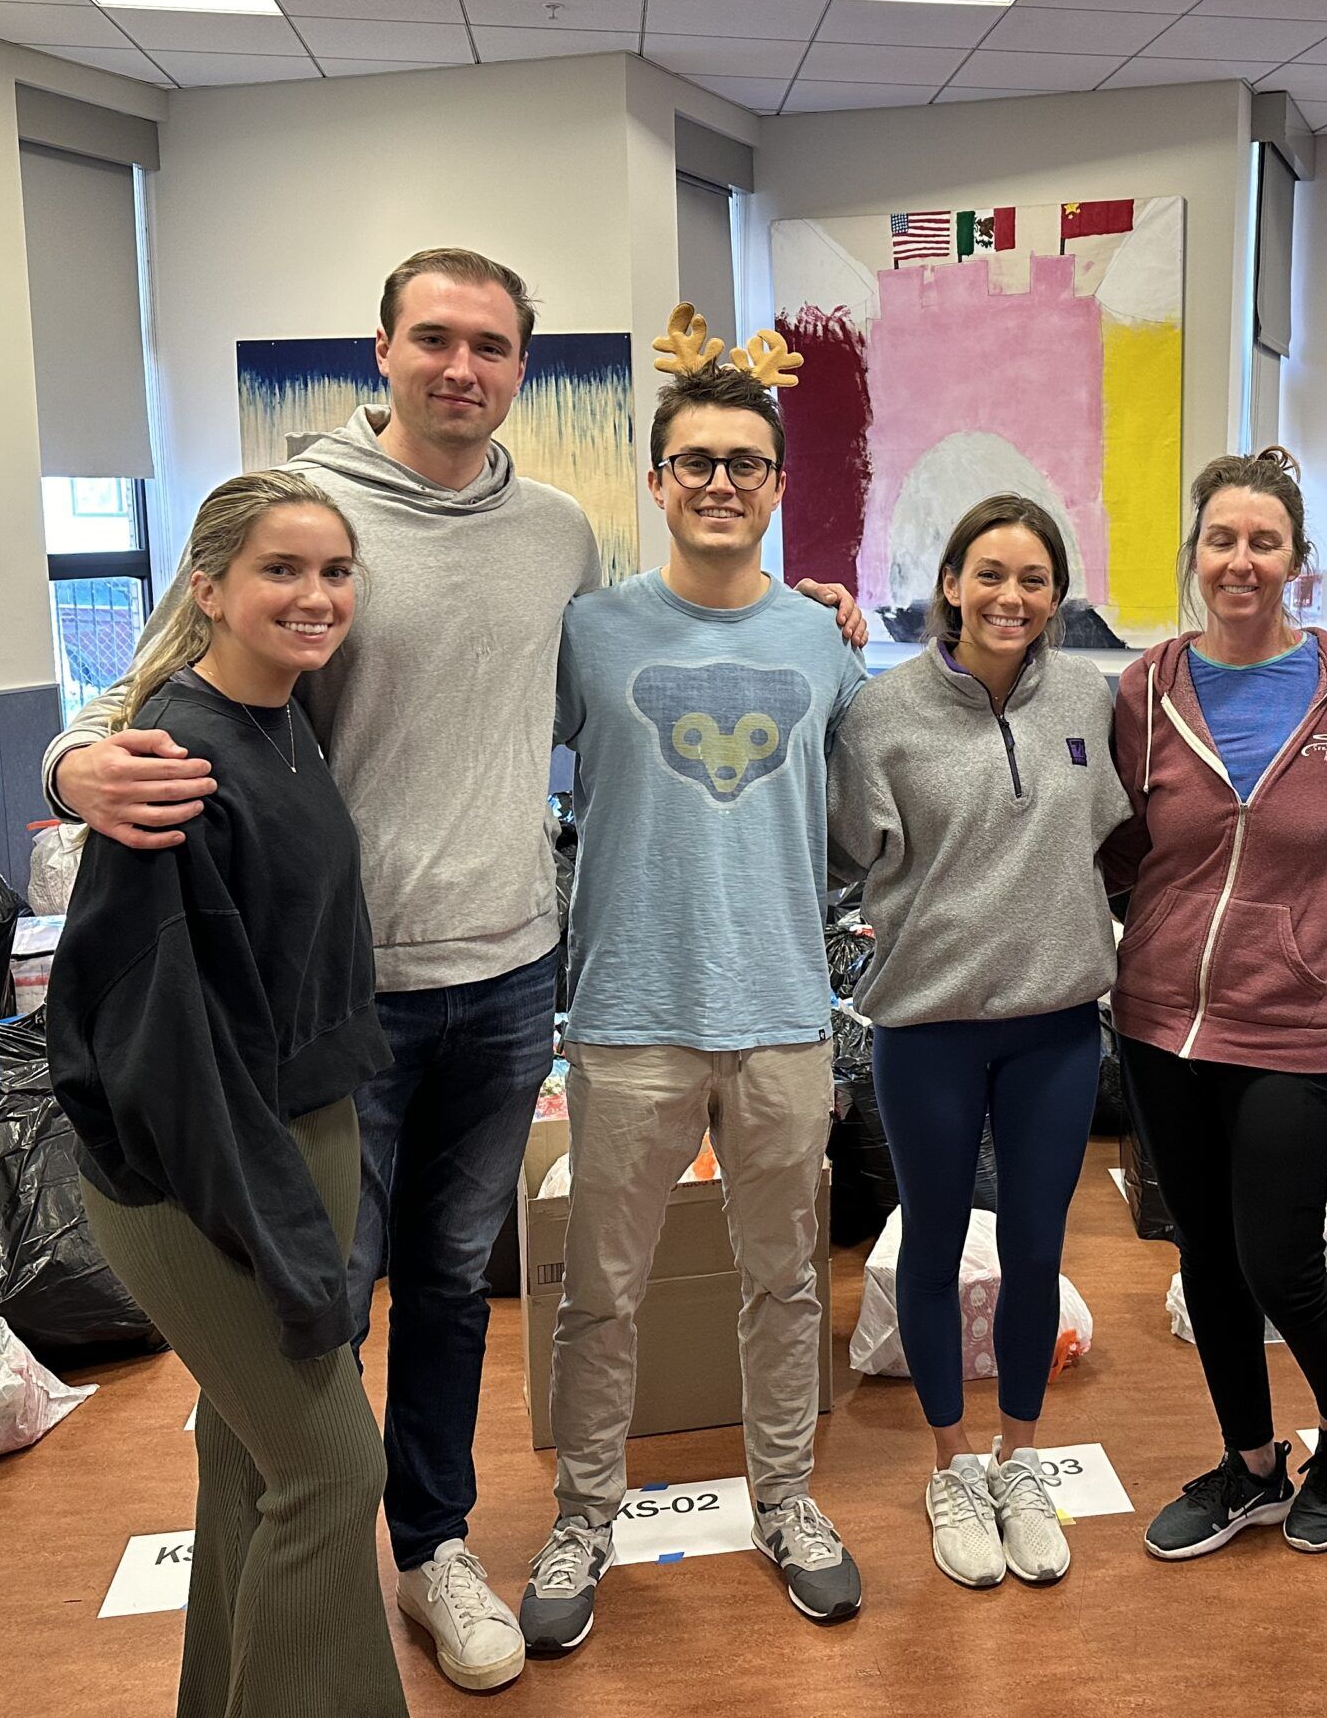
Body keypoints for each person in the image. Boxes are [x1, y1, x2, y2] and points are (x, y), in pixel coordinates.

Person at [43, 252, 859, 1694]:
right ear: (384, 349)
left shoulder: (559, 540)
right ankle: (303, 1557)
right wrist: (70, 760)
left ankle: (433, 1547)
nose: (460, 368)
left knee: (445, 1291)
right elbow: (192, 663)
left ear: (523, 372)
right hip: (342, 1001)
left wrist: (829, 616)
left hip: (506, 979)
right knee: (309, 1306)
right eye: (434, 338)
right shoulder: (312, 508)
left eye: (490, 345)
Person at [519, 316, 866, 1652]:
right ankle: (586, 1514)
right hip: (625, 1019)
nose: (719, 481)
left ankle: (786, 1500)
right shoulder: (589, 634)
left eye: (744, 462)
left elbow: (861, 807)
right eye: (693, 461)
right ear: (655, 483)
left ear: (777, 485)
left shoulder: (829, 639)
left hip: (781, 1014)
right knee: (602, 1293)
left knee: (785, 1286)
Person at [49, 473, 404, 1718]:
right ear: (205, 587)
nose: (315, 598)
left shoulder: (286, 718)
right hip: (196, 1165)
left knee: (248, 1459)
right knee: (327, 1468)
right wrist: (283, 1235)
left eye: (335, 573)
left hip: (298, 1129)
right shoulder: (176, 764)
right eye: (280, 571)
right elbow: (167, 1052)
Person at [1103, 446, 1327, 1564]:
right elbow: (1115, 845)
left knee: (1279, 1258)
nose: (1241, 560)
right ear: (1195, 551)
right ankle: (1248, 1464)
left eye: (1263, 541)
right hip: (1155, 1021)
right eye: (1221, 539)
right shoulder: (1145, 689)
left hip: (1288, 1022)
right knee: (1205, 1259)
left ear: (1296, 561)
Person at [829, 495, 1130, 1591]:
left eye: (1034, 579)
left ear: (1057, 594)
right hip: (929, 1029)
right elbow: (851, 850)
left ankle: (1020, 1458)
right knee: (934, 1238)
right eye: (989, 575)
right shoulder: (882, 713)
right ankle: (949, 1466)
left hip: (1054, 1026)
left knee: (1039, 1250)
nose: (1011, 597)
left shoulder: (1091, 701)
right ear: (949, 582)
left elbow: (1109, 834)